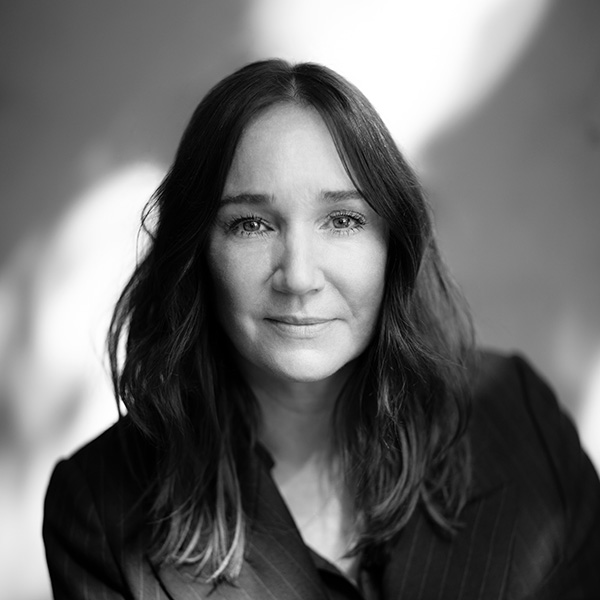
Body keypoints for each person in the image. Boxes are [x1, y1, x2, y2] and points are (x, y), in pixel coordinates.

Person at [43, 59, 600, 600]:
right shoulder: (97, 507)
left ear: (393, 245)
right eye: (251, 224)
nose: (300, 277)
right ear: (198, 254)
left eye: (343, 220)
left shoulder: (517, 415)